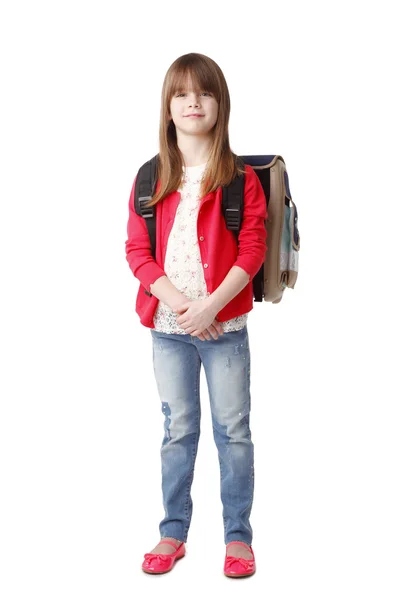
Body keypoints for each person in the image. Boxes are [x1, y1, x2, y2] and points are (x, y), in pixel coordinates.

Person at [125, 52, 267, 577]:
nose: (193, 101)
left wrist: (212, 306)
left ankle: (237, 538)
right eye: (182, 93)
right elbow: (137, 252)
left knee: (233, 431)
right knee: (177, 430)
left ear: (219, 105)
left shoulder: (238, 178)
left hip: (225, 328)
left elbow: (252, 247)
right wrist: (186, 308)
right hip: (169, 332)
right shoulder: (149, 177)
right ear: (167, 107)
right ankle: (172, 533)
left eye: (204, 93)